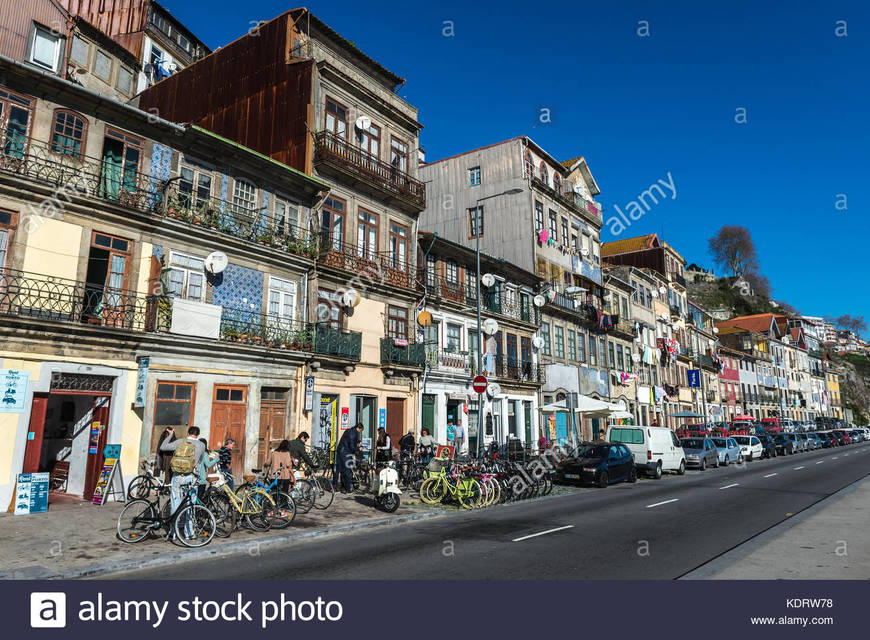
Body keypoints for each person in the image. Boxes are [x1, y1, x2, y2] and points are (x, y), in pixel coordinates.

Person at [159, 426, 206, 538]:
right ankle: (189, 533)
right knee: (190, 505)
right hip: (192, 477)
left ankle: (173, 531)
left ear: (188, 433)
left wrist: (170, 434)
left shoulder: (180, 441)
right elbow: (200, 460)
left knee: (175, 503)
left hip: (178, 477)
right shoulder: (201, 445)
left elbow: (163, 447)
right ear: (197, 434)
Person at [334, 423, 363, 493]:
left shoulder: (348, 430)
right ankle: (347, 489)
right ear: (359, 428)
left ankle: (335, 487)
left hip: (340, 451)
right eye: (360, 430)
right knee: (348, 471)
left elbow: (348, 441)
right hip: (346, 453)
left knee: (338, 470)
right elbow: (352, 446)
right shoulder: (354, 434)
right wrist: (358, 449)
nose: (360, 432)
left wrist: (357, 443)